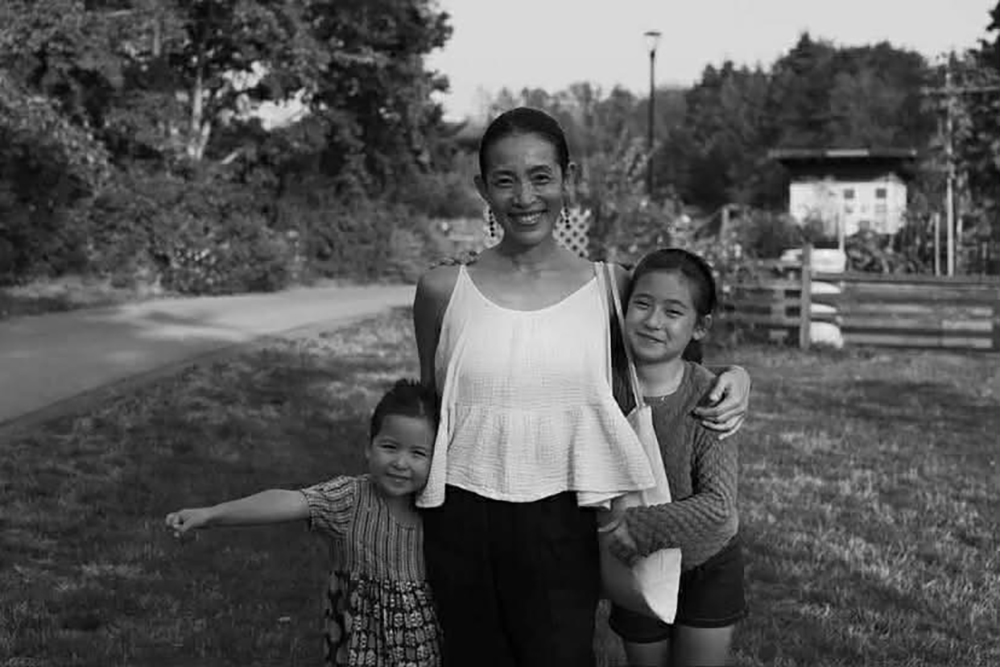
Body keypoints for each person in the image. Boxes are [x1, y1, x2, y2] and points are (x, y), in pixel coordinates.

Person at [412, 106, 752, 667]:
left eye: (541, 176)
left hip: (567, 519)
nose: (525, 197)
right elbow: (429, 402)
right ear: (482, 188)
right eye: (505, 180)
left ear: (568, 179)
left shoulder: (610, 287)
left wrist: (738, 378)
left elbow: (673, 357)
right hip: (461, 519)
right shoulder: (442, 290)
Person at [164, 379, 443, 667]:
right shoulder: (350, 499)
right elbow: (287, 501)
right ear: (368, 448)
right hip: (359, 652)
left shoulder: (441, 510)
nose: (401, 462)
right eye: (390, 446)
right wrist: (211, 514)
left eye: (418, 453)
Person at [604, 248, 746, 667]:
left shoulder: (710, 396)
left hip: (706, 560)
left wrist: (634, 526)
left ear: (700, 326)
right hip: (636, 563)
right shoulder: (602, 387)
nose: (653, 321)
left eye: (673, 312)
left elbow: (718, 507)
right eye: (642, 304)